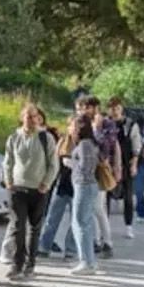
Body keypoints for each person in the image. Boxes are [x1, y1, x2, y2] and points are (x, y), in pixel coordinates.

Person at [2, 103, 57, 279]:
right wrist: (8, 181)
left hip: (38, 189)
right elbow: (8, 161)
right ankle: (16, 264)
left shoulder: (46, 138)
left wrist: (46, 183)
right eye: (28, 116)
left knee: (34, 228)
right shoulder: (14, 137)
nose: (32, 120)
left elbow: (53, 164)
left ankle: (30, 263)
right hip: (17, 188)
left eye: (35, 116)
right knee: (18, 226)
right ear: (22, 118)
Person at [83, 97, 119, 258]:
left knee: (98, 207)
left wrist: (96, 129)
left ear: (96, 108)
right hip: (85, 169)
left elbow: (107, 145)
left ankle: (107, 242)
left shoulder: (107, 124)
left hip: (100, 169)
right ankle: (95, 240)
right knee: (90, 208)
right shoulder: (83, 122)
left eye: (88, 107)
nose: (86, 111)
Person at [39, 118, 78, 260]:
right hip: (62, 185)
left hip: (78, 187)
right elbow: (54, 163)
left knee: (75, 221)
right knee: (52, 218)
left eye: (77, 127)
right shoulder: (63, 142)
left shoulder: (85, 144)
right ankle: (44, 246)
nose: (75, 129)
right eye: (72, 126)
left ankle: (71, 250)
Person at [69, 115, 102, 277]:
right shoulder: (87, 143)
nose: (70, 129)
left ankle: (87, 261)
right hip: (85, 185)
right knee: (83, 222)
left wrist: (71, 164)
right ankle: (89, 260)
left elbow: (86, 166)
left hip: (84, 185)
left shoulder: (85, 144)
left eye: (72, 125)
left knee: (81, 223)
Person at [108, 98, 142, 240]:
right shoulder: (106, 123)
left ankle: (129, 226)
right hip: (108, 164)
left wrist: (134, 162)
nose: (115, 111)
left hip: (126, 162)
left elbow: (136, 144)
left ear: (121, 109)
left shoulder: (130, 124)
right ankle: (105, 227)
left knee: (128, 196)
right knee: (106, 196)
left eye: (117, 108)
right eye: (112, 108)